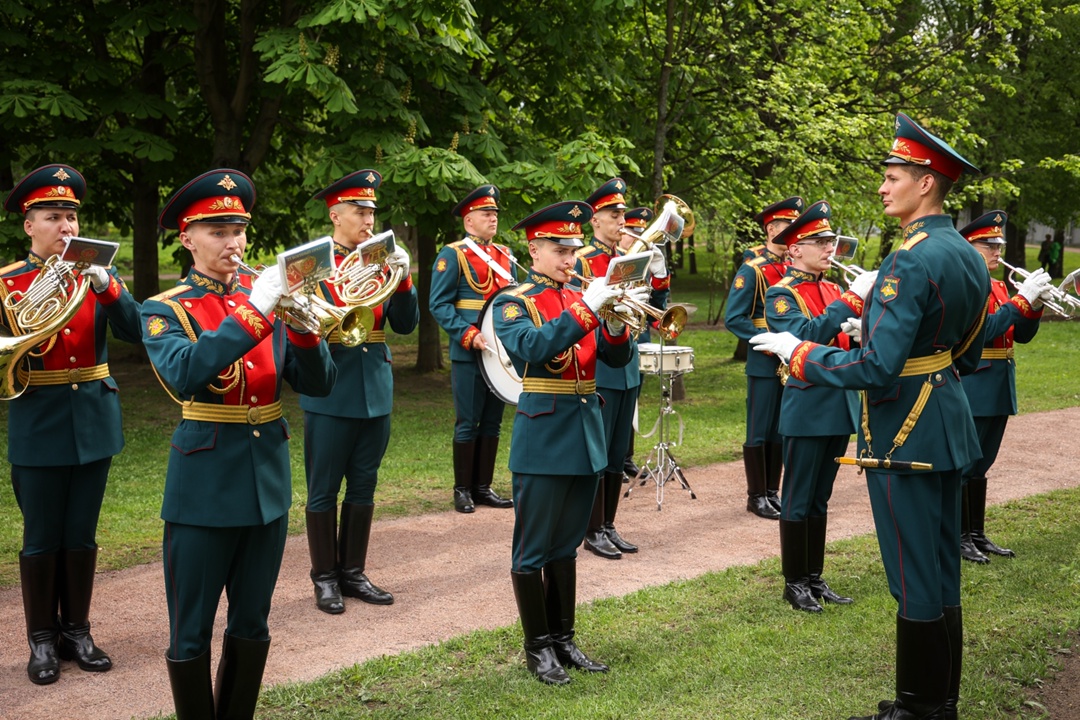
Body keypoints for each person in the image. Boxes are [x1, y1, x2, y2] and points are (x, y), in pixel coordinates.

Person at [750, 112, 1009, 720]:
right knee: (941, 569)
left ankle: (919, 709)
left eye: (893, 176)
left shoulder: (910, 259)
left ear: (926, 183)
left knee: (914, 574)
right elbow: (967, 352)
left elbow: (875, 369)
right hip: (944, 416)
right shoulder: (967, 255)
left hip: (906, 429)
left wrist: (800, 353)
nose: (883, 186)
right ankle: (938, 701)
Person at [141, 169, 336, 719]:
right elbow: (186, 372)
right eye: (217, 230)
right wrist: (259, 308)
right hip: (204, 486)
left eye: (239, 230)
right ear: (187, 238)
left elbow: (318, 384)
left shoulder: (265, 301)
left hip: (266, 484)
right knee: (191, 631)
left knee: (253, 621)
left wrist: (303, 324)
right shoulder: (165, 308)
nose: (233, 242)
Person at [1, 164, 142, 685]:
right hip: (38, 419)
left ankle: (76, 631)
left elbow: (137, 332)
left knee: (81, 533)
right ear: (28, 226)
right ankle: (41, 639)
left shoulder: (97, 279)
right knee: (41, 535)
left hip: (93, 419)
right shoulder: (8, 284)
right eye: (53, 216)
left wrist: (108, 288)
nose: (65, 227)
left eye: (71, 217)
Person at [491, 200, 641, 684]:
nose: (569, 258)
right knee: (532, 549)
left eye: (573, 249)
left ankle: (564, 639)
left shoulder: (581, 296)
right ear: (534, 249)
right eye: (559, 249)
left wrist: (616, 325)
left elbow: (614, 361)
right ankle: (537, 648)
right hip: (544, 433)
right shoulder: (514, 301)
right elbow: (533, 347)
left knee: (566, 547)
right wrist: (589, 308)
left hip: (585, 432)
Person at [301, 170, 418, 614]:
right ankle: (324, 578)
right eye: (359, 211)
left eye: (372, 211)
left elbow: (405, 325)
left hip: (376, 387)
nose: (369, 219)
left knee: (364, 485)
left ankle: (352, 571)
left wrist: (404, 279)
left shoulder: (382, 259)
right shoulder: (313, 262)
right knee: (324, 488)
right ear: (335, 215)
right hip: (331, 385)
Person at [764, 200, 868, 613]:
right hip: (808, 405)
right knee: (798, 497)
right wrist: (848, 304)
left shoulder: (831, 288)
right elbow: (803, 337)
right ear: (794, 250)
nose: (830, 248)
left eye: (830, 240)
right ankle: (794, 582)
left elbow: (840, 342)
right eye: (819, 242)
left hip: (838, 404)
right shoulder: (781, 293)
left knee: (821, 498)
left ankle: (814, 577)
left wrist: (860, 333)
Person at [572, 179, 669, 559]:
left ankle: (608, 524)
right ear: (595, 220)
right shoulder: (582, 259)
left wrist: (657, 274)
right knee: (598, 453)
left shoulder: (631, 259)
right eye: (614, 215)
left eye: (622, 215)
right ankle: (591, 528)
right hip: (598, 365)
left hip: (627, 366)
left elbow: (656, 311)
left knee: (616, 454)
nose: (622, 221)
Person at [957, 211, 1046, 564]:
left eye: (1000, 244)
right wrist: (1020, 300)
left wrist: (1034, 305)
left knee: (982, 464)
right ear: (969, 246)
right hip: (975, 382)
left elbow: (1019, 334)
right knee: (966, 465)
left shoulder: (996, 285)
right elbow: (985, 329)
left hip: (998, 384)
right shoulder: (967, 284)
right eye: (989, 244)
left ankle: (975, 533)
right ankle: (959, 536)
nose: (998, 250)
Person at [429, 184, 516, 513]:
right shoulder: (453, 254)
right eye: (486, 213)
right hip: (469, 350)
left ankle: (483, 487)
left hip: (500, 351)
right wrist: (467, 334)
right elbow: (439, 304)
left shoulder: (505, 255)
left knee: (492, 422)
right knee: (468, 421)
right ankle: (462, 489)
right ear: (469, 220)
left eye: (495, 213)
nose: (493, 218)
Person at [724, 195, 803, 520]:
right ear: (771, 228)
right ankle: (755, 495)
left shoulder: (792, 269)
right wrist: (767, 342)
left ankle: (772, 492)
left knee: (780, 429)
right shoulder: (753, 269)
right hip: (765, 358)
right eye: (788, 226)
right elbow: (735, 318)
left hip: (791, 358)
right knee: (759, 428)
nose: (793, 233)